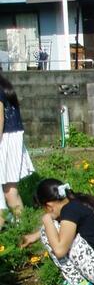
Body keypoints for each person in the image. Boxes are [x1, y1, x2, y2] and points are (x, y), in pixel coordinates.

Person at [0, 74, 35, 225]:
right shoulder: (3, 86)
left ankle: (21, 226)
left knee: (9, 191)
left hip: (6, 139)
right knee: (10, 191)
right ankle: (20, 225)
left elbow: (0, 118)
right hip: (9, 137)